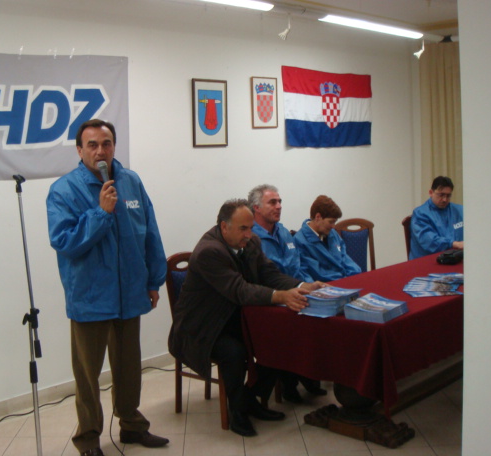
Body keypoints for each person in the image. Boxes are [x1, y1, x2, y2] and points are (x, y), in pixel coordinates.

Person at [47, 119, 168, 456]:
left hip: (130, 293)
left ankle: (131, 425)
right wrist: (100, 213)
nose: (100, 151)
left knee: (129, 368)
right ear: (79, 150)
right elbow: (65, 242)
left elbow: (150, 231)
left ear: (114, 146)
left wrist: (153, 280)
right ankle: (88, 439)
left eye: (107, 143)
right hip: (90, 297)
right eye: (92, 145)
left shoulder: (131, 181)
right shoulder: (63, 190)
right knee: (88, 376)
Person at [168, 199, 326, 437]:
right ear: (224, 227)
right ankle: (238, 414)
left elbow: (270, 274)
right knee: (234, 352)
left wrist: (303, 286)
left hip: (233, 317)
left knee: (278, 336)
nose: (249, 234)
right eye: (243, 228)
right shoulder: (209, 252)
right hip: (202, 327)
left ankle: (250, 398)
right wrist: (280, 296)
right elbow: (239, 290)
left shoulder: (250, 242)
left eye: (251, 228)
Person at [247, 184, 327, 403]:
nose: (279, 206)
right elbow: (263, 278)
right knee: (293, 323)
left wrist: (308, 286)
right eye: (272, 202)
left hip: (294, 289)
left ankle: (308, 374)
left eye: (280, 201)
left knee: (322, 317)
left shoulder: (283, 232)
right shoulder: (250, 238)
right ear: (256, 208)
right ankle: (289, 383)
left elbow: (297, 266)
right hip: (270, 299)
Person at [295, 195, 362, 282]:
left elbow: (345, 258)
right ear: (318, 217)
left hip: (344, 281)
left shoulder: (332, 233)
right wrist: (343, 281)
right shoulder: (300, 241)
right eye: (331, 222)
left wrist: (355, 276)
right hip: (328, 285)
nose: (333, 226)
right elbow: (317, 274)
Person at [409, 176, 464, 260]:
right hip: (427, 260)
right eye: (441, 195)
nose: (445, 199)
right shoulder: (420, 214)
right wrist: (454, 244)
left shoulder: (460, 210)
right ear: (431, 193)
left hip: (455, 257)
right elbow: (429, 241)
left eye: (448, 196)